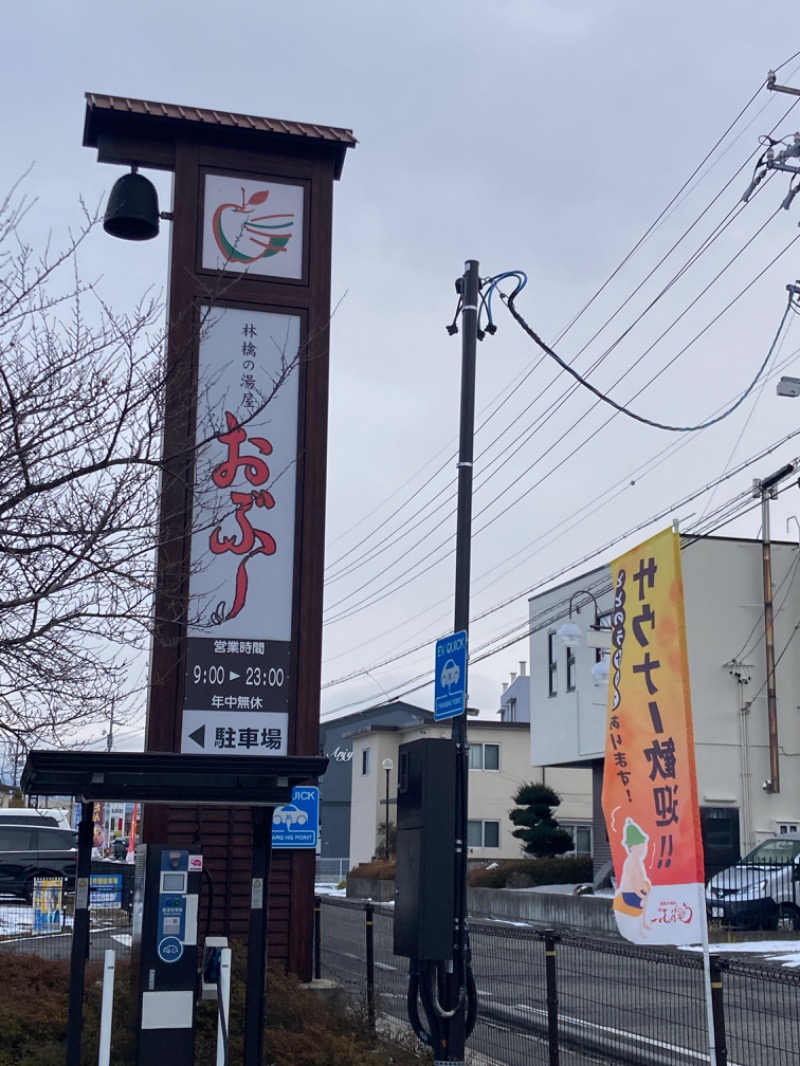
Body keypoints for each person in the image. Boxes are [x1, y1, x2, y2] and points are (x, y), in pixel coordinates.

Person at [612, 819, 652, 939]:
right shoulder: (632, 862)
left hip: (636, 891)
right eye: (638, 847)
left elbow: (640, 881)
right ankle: (639, 930)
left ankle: (643, 924)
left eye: (642, 846)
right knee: (644, 899)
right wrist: (640, 894)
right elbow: (634, 883)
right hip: (630, 895)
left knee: (647, 891)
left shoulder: (637, 860)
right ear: (631, 847)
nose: (642, 849)